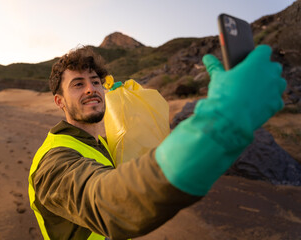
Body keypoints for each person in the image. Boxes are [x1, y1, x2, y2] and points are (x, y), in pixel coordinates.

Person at [28, 45, 286, 240]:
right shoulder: (54, 162)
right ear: (59, 101)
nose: (91, 89)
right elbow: (108, 201)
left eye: (95, 82)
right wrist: (223, 119)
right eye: (78, 84)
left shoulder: (100, 144)